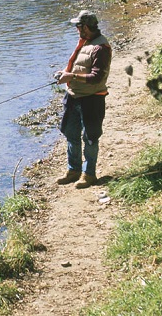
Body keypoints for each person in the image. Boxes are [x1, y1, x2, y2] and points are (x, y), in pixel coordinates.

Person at [56, 10, 112, 189]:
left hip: (92, 100)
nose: (76, 29)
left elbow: (96, 77)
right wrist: (64, 74)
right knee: (71, 134)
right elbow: (78, 67)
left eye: (78, 26)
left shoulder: (101, 48)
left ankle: (89, 174)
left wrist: (71, 76)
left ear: (85, 27)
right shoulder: (85, 42)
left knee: (90, 137)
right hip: (73, 97)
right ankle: (73, 170)